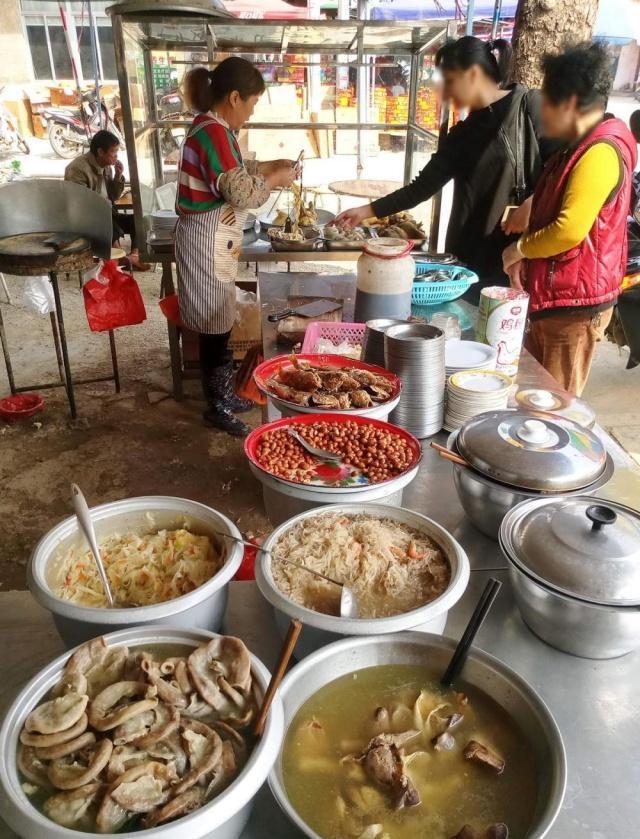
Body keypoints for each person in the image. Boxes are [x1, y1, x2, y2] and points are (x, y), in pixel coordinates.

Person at [335, 36, 551, 301]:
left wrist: (535, 202)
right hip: (468, 259)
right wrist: (366, 211)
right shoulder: (463, 133)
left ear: (472, 74)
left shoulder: (530, 107)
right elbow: (420, 188)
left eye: (448, 82)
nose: (445, 93)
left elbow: (569, 165)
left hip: (519, 256)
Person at [502, 43, 637, 397]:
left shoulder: (599, 153)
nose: (541, 110)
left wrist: (518, 249)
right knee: (532, 396)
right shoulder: (575, 144)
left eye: (547, 101)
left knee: (556, 406)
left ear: (571, 103)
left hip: (575, 309)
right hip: (556, 299)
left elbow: (569, 230)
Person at [175, 58, 297, 436]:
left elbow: (233, 170)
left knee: (221, 319)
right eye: (252, 103)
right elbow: (240, 191)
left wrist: (266, 166)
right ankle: (216, 406)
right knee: (213, 324)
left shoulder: (216, 130)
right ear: (234, 97)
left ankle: (224, 394)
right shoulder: (211, 132)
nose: (252, 111)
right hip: (203, 240)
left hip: (215, 239)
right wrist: (274, 177)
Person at [64, 130, 150, 270]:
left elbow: (114, 196)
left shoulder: (107, 167)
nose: (116, 156)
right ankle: (121, 258)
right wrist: (104, 207)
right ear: (100, 152)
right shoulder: (77, 169)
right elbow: (79, 203)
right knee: (106, 221)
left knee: (138, 220)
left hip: (108, 212)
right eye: (113, 152)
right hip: (87, 218)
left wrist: (118, 176)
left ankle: (135, 254)